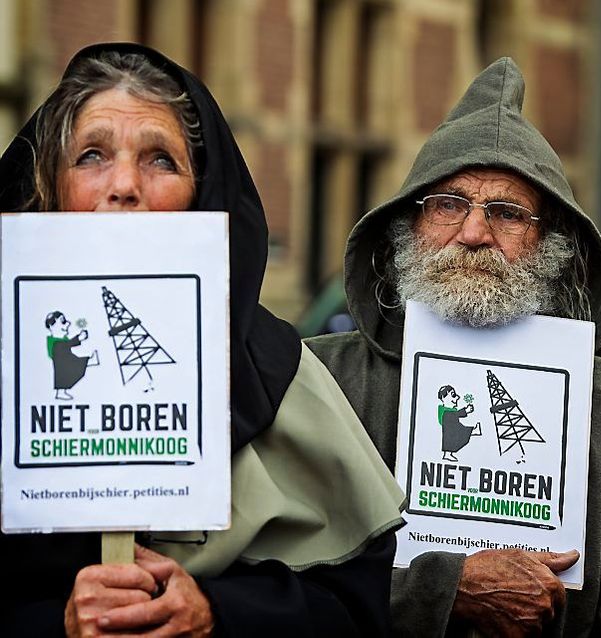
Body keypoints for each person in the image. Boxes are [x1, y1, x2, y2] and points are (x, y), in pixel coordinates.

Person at [0, 43, 404, 637]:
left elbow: (355, 607)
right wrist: (55, 626)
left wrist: (217, 614)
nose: (124, 186)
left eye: (160, 159)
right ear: (48, 187)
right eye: (91, 155)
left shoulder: (281, 374)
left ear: (204, 191)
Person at [306, 57, 601, 637]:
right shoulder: (323, 381)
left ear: (552, 243)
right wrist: (441, 592)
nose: (473, 234)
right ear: (407, 225)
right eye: (447, 204)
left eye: (507, 213)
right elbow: (272, 591)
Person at [45, 310, 99, 400]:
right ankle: (60, 391)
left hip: (66, 358)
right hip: (61, 359)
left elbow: (67, 344)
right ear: (51, 325)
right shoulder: (55, 343)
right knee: (67, 367)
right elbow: (66, 344)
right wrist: (79, 338)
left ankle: (89, 362)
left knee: (72, 364)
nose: (68, 324)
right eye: (63, 322)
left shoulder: (61, 341)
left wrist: (79, 338)